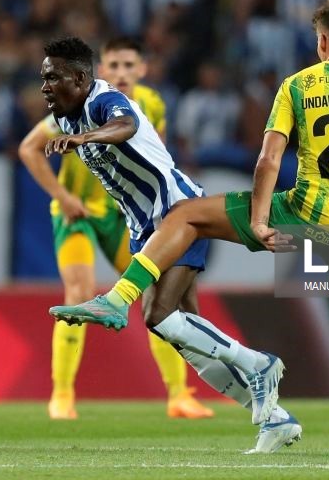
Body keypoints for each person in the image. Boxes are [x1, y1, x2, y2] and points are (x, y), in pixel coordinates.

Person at [53, 0, 329, 458]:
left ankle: (121, 300)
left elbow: (269, 160)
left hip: (301, 218)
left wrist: (258, 220)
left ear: (322, 42)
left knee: (187, 215)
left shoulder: (298, 86)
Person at [42, 36, 300, 453]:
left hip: (177, 210)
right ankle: (272, 416)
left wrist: (86, 139)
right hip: (143, 226)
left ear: (80, 77)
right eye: (43, 78)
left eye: (52, 77)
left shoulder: (104, 100)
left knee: (158, 315)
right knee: (187, 335)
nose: (44, 86)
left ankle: (259, 364)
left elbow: (126, 126)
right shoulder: (65, 119)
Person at [19, 37, 213, 420]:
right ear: (98, 71)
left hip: (123, 215)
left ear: (141, 70)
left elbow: (149, 148)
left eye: (129, 66)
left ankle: (179, 394)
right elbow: (29, 147)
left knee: (156, 292)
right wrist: (61, 194)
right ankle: (61, 396)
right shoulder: (70, 105)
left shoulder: (150, 105)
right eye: (115, 66)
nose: (122, 74)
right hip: (77, 212)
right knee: (78, 289)